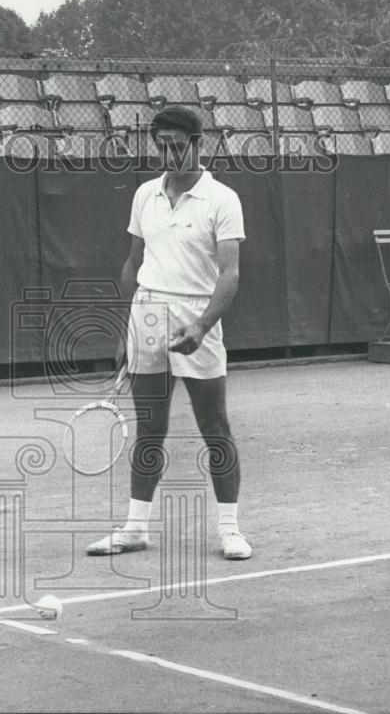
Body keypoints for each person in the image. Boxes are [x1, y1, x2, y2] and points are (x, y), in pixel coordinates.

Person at [86, 106, 252, 560]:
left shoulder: (223, 199)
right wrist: (125, 329)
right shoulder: (144, 194)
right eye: (161, 146)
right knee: (149, 430)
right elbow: (132, 264)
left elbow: (230, 274)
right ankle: (136, 527)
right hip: (148, 315)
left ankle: (230, 530)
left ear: (200, 145)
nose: (170, 155)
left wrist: (202, 326)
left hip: (196, 315)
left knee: (215, 427)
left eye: (178, 146)